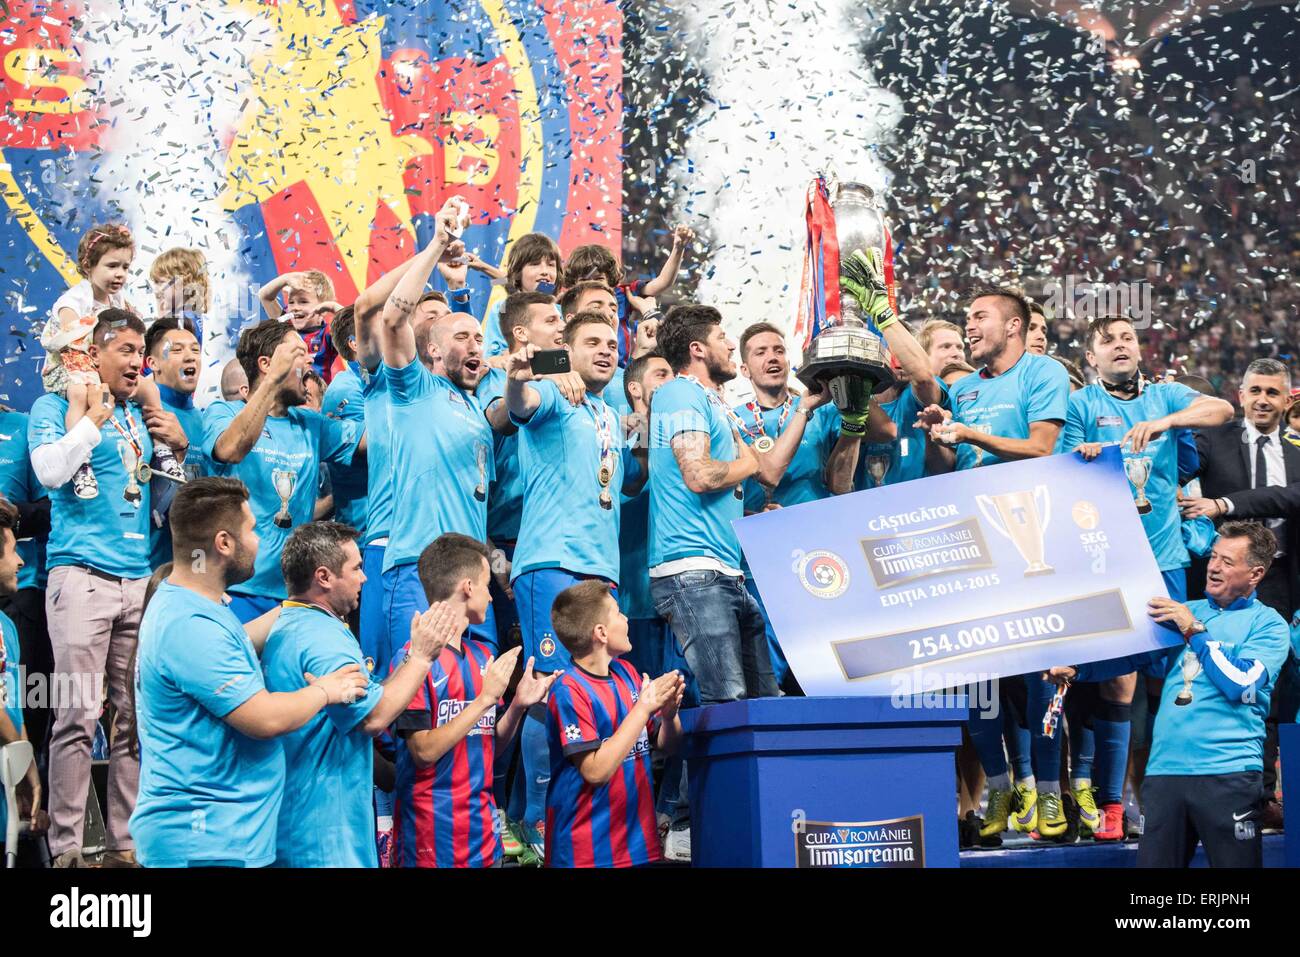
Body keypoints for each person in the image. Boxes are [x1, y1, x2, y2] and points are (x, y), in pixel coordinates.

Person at [130, 478, 369, 868]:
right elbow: (266, 718)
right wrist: (326, 690)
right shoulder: (190, 625)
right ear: (224, 543)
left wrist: (302, 602)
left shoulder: (195, 609)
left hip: (224, 842)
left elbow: (239, 641)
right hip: (203, 846)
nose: (260, 541)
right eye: (253, 530)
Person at [1060, 315, 1234, 840]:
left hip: (1165, 561)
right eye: (1107, 341)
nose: (1119, 346)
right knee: (1115, 684)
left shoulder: (1165, 396)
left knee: (1174, 684)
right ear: (1091, 358)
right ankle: (1112, 803)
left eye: (1127, 338)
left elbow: (1223, 409)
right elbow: (1058, 467)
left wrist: (1166, 422)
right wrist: (1082, 457)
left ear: (1140, 350)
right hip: (1107, 562)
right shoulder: (1083, 405)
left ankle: (1174, 794)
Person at [29, 310, 192, 868]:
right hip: (80, 578)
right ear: (92, 354)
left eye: (138, 352)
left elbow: (162, 498)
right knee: (77, 714)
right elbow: (50, 472)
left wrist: (178, 447)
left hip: (136, 580)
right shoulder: (54, 408)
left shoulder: (140, 416)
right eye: (123, 350)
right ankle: (69, 848)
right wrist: (90, 420)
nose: (134, 361)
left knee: (133, 719)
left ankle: (126, 843)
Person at [915, 287, 1070, 845]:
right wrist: (940, 432)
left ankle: (1051, 793)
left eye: (979, 317)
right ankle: (1001, 788)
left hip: (1033, 544)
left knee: (1042, 674)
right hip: (973, 546)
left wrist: (969, 431)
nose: (970, 326)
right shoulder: (966, 391)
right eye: (967, 317)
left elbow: (1042, 448)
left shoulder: (1044, 372)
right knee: (976, 679)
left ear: (1014, 326)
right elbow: (945, 468)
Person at [1046, 522, 1292, 867]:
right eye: (1214, 556)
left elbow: (1240, 684)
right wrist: (1078, 670)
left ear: (1256, 573)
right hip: (1164, 774)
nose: (1214, 566)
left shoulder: (1268, 624)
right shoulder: (1186, 610)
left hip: (1229, 773)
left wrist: (1193, 630)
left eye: (1227, 561)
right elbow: (1134, 656)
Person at [503, 310, 641, 859]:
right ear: (568, 349)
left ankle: (536, 817)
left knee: (579, 697)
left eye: (612, 342)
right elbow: (521, 405)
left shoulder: (611, 414)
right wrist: (521, 374)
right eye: (593, 342)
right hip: (550, 560)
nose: (607, 350)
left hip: (600, 568)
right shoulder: (555, 391)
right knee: (550, 692)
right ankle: (532, 821)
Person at [261, 521, 464, 867]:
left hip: (307, 826)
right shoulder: (323, 639)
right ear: (324, 577)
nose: (364, 578)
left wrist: (408, 660)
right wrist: (421, 657)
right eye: (355, 568)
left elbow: (365, 701)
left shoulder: (295, 625)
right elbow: (373, 718)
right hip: (323, 839)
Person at [1180, 357, 1300, 830]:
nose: (1263, 400)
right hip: (1224, 583)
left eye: (1273, 392)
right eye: (1255, 391)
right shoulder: (1214, 440)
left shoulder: (1297, 448)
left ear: (1287, 398)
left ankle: (1267, 795)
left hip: (1282, 580)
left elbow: (1292, 497)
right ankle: (1223, 790)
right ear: (1241, 394)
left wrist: (1225, 503)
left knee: (1280, 688)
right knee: (1221, 679)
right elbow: (1182, 466)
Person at [378, 201, 497, 679]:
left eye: (479, 339)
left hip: (473, 574)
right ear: (431, 350)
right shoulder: (415, 389)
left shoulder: (475, 406)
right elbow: (391, 320)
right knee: (418, 696)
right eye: (462, 337)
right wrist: (436, 245)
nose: (475, 345)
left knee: (472, 702)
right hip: (417, 567)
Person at [391, 533, 556, 867]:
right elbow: (422, 752)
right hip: (431, 840)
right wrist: (483, 700)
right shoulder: (414, 660)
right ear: (467, 587)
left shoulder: (482, 656)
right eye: (486, 586)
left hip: (483, 837)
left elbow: (489, 744)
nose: (492, 598)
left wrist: (518, 706)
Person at [648, 305, 775, 705]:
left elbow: (755, 473)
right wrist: (749, 462)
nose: (731, 347)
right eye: (723, 339)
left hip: (725, 571)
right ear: (698, 349)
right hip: (692, 570)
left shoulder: (712, 402)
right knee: (730, 703)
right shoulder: (679, 392)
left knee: (763, 703)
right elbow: (699, 475)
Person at [732, 320, 861, 692]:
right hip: (761, 559)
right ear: (744, 369)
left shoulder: (823, 412)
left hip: (820, 552)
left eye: (778, 350)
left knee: (824, 656)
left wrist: (853, 420)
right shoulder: (733, 420)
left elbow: (840, 482)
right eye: (760, 352)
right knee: (769, 660)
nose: (772, 358)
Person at [204, 320, 363, 623]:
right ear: (267, 363)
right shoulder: (223, 412)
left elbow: (377, 439)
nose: (310, 360)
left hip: (297, 596)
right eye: (298, 353)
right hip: (236, 589)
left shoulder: (310, 425)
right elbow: (231, 449)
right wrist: (273, 381)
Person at [545, 579, 685, 867]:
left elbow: (668, 745)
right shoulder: (569, 690)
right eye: (619, 613)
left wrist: (669, 715)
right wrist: (643, 709)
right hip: (585, 852)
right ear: (601, 632)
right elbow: (595, 771)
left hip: (638, 846)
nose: (626, 619)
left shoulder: (627, 673)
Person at [39, 226, 186, 499]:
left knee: (150, 389)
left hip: (104, 368)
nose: (120, 274)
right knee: (81, 392)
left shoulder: (119, 302)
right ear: (88, 265)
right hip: (70, 367)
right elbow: (76, 342)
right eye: (112, 266)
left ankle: (163, 450)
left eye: (126, 267)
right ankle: (82, 463)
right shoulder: (73, 301)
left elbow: (129, 329)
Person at [617, 350, 694, 859]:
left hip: (685, 596)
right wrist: (642, 432)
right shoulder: (620, 437)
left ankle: (674, 814)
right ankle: (642, 816)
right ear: (636, 391)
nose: (672, 383)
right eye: (660, 376)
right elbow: (629, 484)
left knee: (687, 710)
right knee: (641, 720)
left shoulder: (694, 433)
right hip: (637, 603)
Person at [0, 405, 50, 794]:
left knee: (28, 706)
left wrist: (11, 518)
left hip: (23, 594)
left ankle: (29, 813)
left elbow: (55, 508)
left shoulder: (23, 426)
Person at [564, 227, 694, 367]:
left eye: (598, 279)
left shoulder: (622, 294)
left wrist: (678, 249)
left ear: (610, 281)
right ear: (574, 284)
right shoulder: (566, 304)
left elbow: (662, 282)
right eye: (584, 280)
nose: (592, 284)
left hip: (621, 369)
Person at [0, 497, 47, 848]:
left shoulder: (8, 628)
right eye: (13, 551)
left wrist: (20, 780)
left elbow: (12, 703)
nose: (20, 561)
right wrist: (25, 760)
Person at [143, 317, 209, 569]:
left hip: (194, 565)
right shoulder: (144, 412)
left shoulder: (207, 420)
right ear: (153, 364)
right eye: (177, 350)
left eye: (195, 349)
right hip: (146, 567)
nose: (190, 357)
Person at [482, 233, 564, 361]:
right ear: (518, 272)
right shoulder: (501, 308)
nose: (545, 271)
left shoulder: (562, 312)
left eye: (551, 265)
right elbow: (493, 358)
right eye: (535, 264)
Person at [258, 269, 342, 380]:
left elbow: (351, 323)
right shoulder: (285, 326)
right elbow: (264, 296)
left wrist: (333, 307)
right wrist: (286, 278)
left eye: (303, 302)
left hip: (318, 395)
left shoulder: (327, 334)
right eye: (291, 302)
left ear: (324, 308)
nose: (295, 308)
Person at [149, 247, 209, 343]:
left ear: (184, 283)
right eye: (155, 283)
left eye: (161, 282)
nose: (156, 290)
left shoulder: (181, 321)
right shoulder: (191, 314)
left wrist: (161, 321)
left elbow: (162, 353)